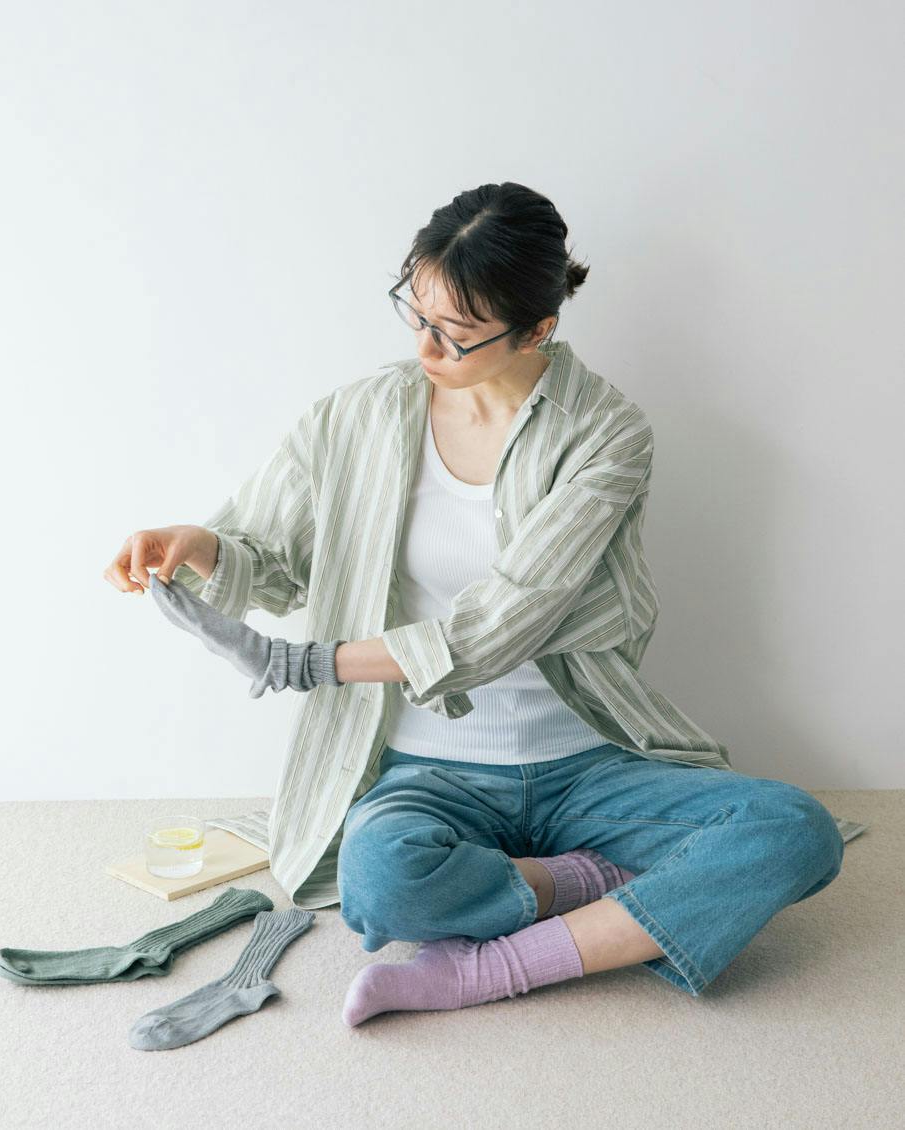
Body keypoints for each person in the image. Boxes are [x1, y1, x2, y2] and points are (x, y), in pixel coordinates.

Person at [104, 182, 860, 1023]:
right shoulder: (355, 417)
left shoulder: (606, 434)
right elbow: (274, 563)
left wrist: (303, 665)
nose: (426, 346)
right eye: (417, 314)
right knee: (379, 879)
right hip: (428, 770)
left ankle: (493, 969)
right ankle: (588, 881)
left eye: (457, 333)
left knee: (795, 830)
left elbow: (505, 619)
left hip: (586, 763)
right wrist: (201, 545)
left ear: (537, 329)